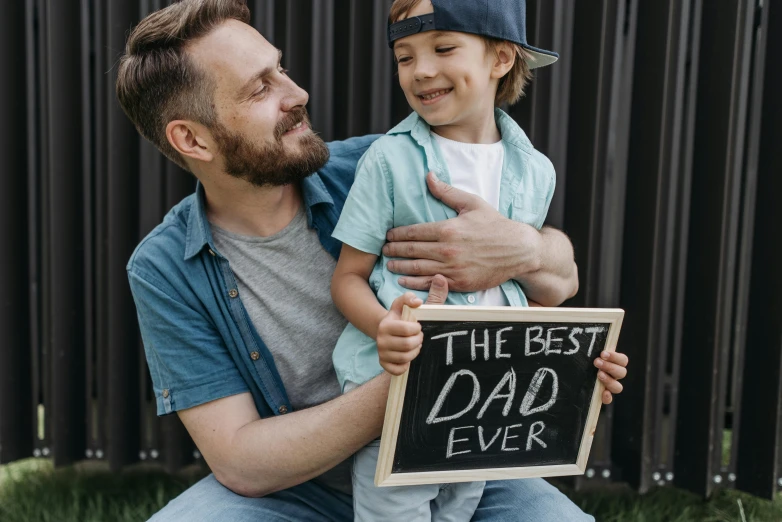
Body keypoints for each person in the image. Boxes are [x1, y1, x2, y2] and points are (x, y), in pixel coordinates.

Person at [115, 0, 628, 520]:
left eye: (281, 69)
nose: (298, 94)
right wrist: (441, 372)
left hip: (450, 458)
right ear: (191, 138)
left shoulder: (383, 163)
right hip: (297, 490)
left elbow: (560, 277)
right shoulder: (164, 268)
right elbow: (243, 462)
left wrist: (532, 273)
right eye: (260, 88)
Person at [329, 1, 576, 519]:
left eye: (443, 48)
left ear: (501, 59)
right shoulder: (390, 161)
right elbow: (348, 277)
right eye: (404, 56)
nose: (420, 70)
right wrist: (385, 327)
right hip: (403, 395)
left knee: (461, 509)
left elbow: (517, 287)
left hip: (484, 400)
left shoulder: (535, 171)